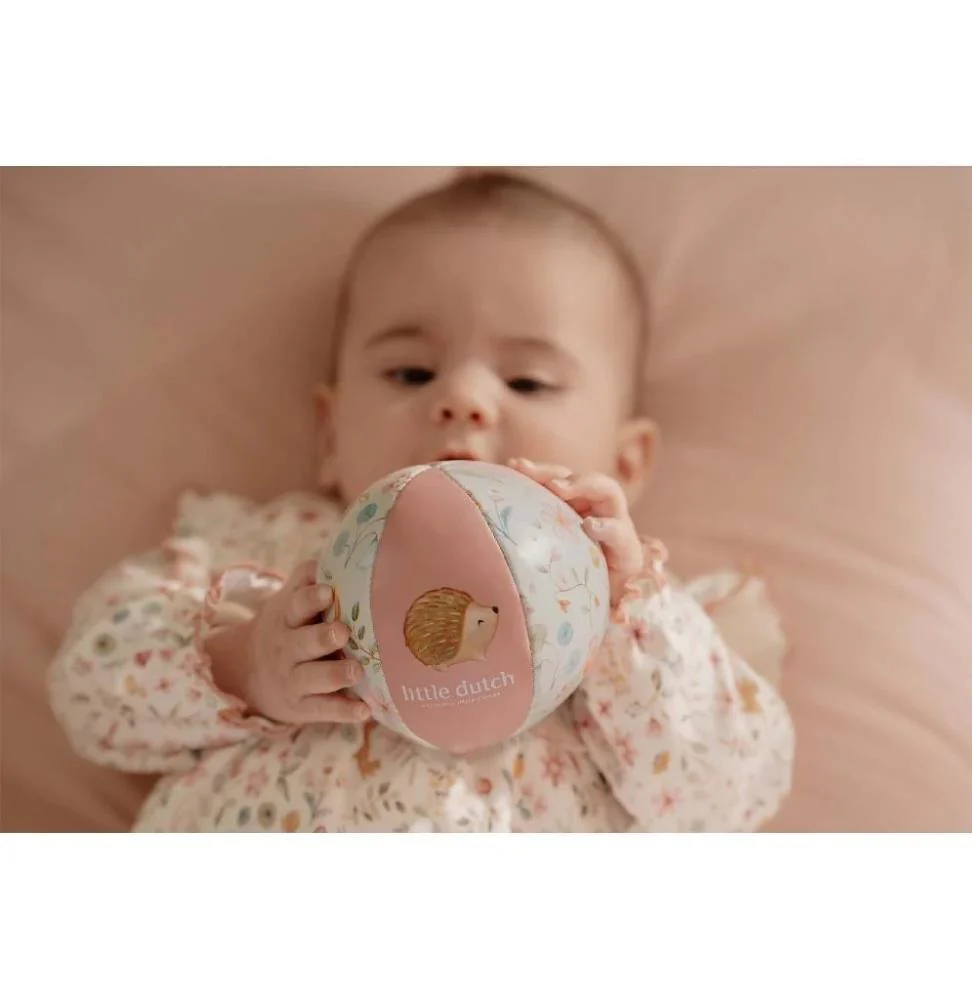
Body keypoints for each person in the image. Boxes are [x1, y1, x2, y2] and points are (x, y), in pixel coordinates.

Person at [49, 170, 794, 832]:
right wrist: (246, 664)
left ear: (626, 463)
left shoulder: (643, 618)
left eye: (527, 381)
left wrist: (629, 620)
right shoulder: (257, 558)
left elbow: (726, 799)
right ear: (330, 432)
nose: (462, 398)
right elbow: (89, 690)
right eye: (410, 373)